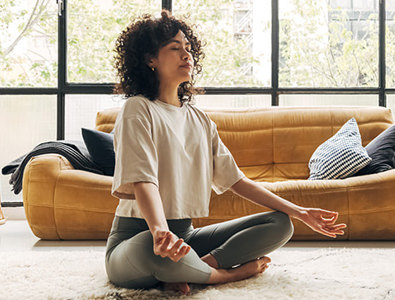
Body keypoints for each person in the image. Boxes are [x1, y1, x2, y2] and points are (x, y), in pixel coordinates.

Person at [105, 10, 346, 295]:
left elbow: (236, 181)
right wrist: (159, 231)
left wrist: (300, 211)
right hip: (137, 238)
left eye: (188, 48)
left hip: (185, 237)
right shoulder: (138, 109)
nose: (187, 55)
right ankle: (222, 276)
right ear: (150, 59)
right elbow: (144, 179)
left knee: (280, 223)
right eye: (175, 48)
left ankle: (198, 266)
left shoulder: (200, 120)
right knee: (151, 249)